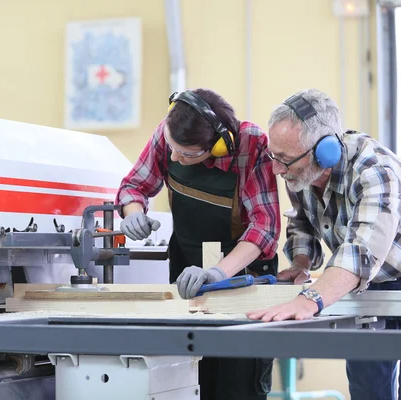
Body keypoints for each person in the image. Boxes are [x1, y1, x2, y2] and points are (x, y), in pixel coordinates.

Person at [116, 88, 281, 400]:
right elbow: (134, 186)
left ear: (218, 146)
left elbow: (265, 227)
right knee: (190, 378)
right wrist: (133, 213)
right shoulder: (168, 137)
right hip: (186, 269)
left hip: (244, 273)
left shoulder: (250, 144)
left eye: (186, 154)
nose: (175, 158)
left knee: (239, 384)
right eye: (173, 149)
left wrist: (219, 273)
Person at [247, 88, 401, 400]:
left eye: (285, 160)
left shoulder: (376, 171)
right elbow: (301, 220)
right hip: (366, 283)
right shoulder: (300, 173)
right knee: (368, 389)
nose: (276, 169)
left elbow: (360, 254)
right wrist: (301, 264)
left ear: (325, 152)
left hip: (377, 270)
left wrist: (308, 299)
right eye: (273, 156)